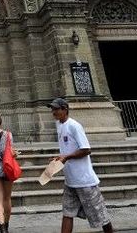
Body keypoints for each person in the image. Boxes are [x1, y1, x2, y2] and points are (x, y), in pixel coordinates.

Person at [48, 97, 114, 233]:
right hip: (70, 181)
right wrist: (60, 157)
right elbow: (67, 149)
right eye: (52, 109)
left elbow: (86, 149)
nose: (53, 112)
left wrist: (67, 156)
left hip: (85, 181)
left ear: (65, 109)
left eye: (56, 109)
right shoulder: (59, 125)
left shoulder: (74, 125)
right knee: (67, 212)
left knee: (100, 214)